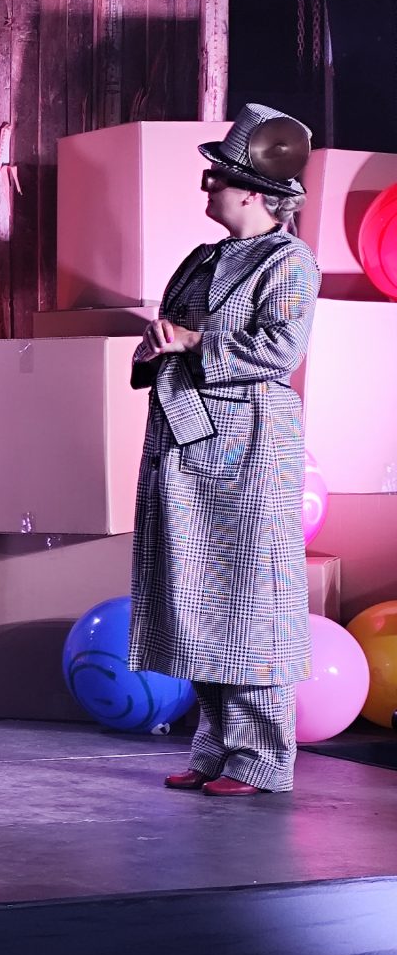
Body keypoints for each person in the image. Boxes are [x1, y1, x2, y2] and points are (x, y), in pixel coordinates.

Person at [132, 104, 319, 798]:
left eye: (218, 177)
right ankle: (215, 750)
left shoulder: (290, 261)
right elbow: (171, 332)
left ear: (253, 192)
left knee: (251, 598)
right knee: (200, 599)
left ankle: (261, 759)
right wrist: (159, 344)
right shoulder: (204, 258)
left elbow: (281, 349)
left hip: (250, 449)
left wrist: (193, 342)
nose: (206, 185)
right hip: (186, 440)